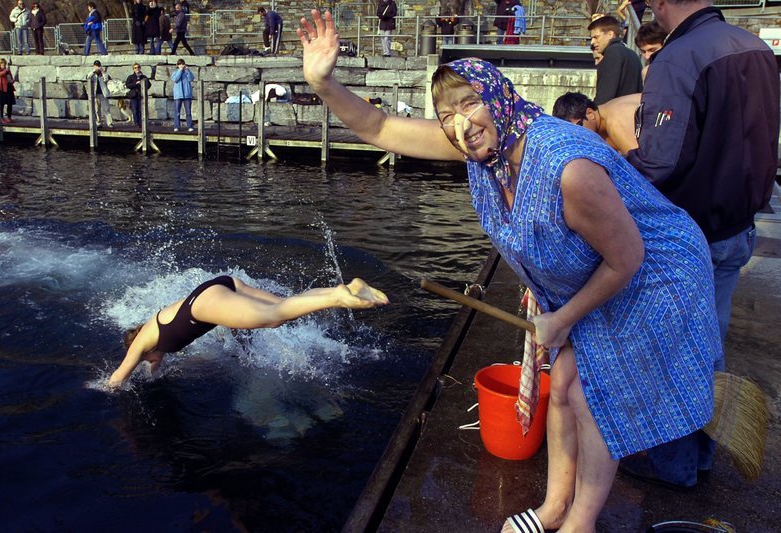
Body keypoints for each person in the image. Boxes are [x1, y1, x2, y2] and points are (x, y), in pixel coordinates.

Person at [297, 11, 720, 532]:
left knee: (593, 397)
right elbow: (379, 126)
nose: (459, 123)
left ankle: (579, 523)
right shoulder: (481, 151)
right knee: (561, 384)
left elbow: (628, 259)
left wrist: (563, 317)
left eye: (470, 102)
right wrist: (324, 83)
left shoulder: (567, 168)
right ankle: (552, 506)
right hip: (603, 271)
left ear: (496, 97)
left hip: (657, 274)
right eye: (446, 112)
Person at [625, 0, 780, 489]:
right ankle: (703, 452)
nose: (653, 12)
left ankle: (673, 464)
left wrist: (615, 159)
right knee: (709, 342)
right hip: (739, 226)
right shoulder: (755, 47)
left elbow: (661, 163)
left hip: (690, 234)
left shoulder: (679, 56)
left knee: (675, 349)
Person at [107, 276, 388, 388]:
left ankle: (339, 297)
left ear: (140, 349)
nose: (151, 362)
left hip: (204, 303)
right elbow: (156, 367)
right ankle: (350, 287)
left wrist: (101, 389)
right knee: (283, 305)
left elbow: (118, 376)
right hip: (221, 284)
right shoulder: (154, 335)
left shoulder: (142, 341)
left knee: (273, 318)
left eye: (146, 360)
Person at [552, 92, 640, 154]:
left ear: (590, 114)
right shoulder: (601, 128)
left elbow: (644, 166)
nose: (579, 135)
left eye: (579, 127)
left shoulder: (616, 121)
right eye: (573, 133)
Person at [588, 14, 642, 104]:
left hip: (615, 114)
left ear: (610, 34)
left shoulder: (613, 52)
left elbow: (605, 95)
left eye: (596, 37)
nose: (593, 42)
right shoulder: (632, 53)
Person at [87, 60, 113, 128]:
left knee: (106, 108)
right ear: (94, 66)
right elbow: (88, 77)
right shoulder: (92, 74)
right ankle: (98, 122)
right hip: (95, 94)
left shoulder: (103, 73)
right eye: (96, 66)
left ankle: (110, 123)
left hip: (103, 94)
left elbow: (106, 79)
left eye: (98, 66)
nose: (97, 67)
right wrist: (94, 71)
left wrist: (103, 71)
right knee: (97, 109)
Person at [171, 58, 194, 132]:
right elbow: (175, 79)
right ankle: (176, 126)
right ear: (177, 65)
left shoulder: (187, 72)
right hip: (178, 95)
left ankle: (190, 126)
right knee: (177, 112)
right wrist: (180, 71)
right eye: (179, 64)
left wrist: (188, 70)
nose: (181, 65)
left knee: (188, 112)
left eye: (182, 64)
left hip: (187, 95)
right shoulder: (175, 72)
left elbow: (191, 79)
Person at [125, 63, 151, 128]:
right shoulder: (130, 77)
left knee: (141, 110)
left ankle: (141, 123)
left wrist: (143, 83)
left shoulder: (143, 77)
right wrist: (135, 84)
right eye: (135, 68)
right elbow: (128, 85)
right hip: (134, 96)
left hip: (141, 95)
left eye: (138, 67)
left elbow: (149, 85)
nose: (137, 69)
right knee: (135, 109)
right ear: (133, 69)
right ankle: (136, 123)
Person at [0, 58, 16, 124]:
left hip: (9, 88)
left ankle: (9, 117)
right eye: (2, 65)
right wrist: (5, 71)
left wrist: (12, 81)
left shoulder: (8, 71)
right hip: (2, 89)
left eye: (4, 65)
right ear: (0, 65)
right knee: (2, 104)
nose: (4, 66)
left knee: (10, 103)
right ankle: (1, 117)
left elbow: (11, 78)